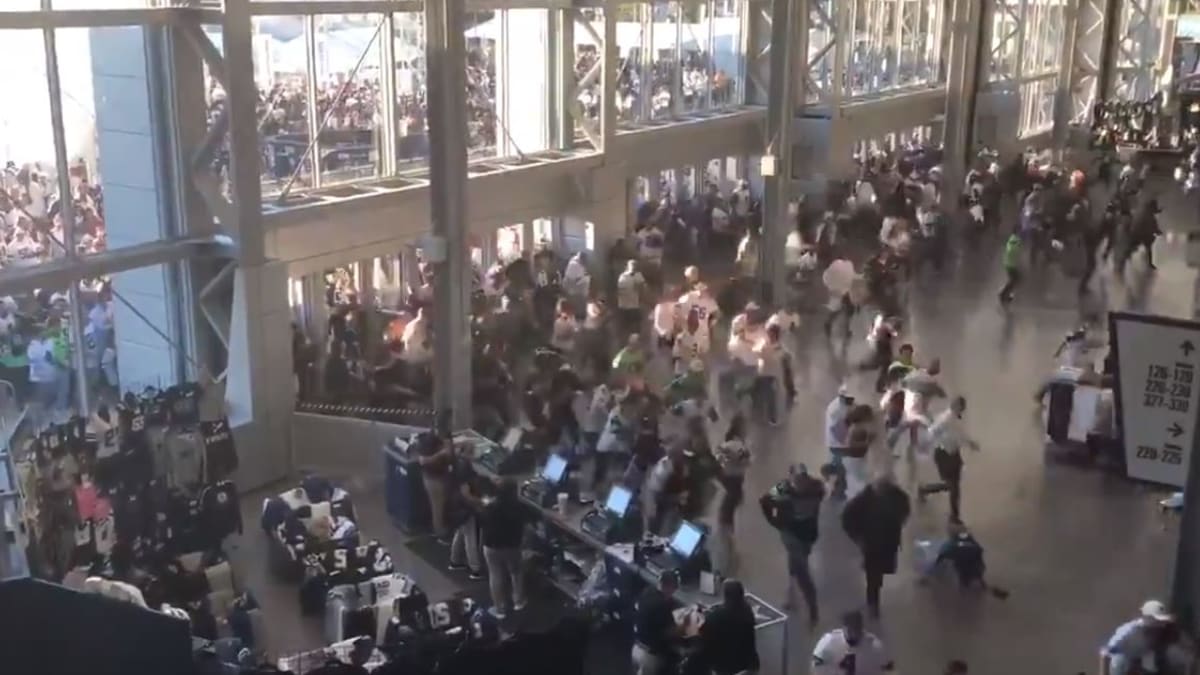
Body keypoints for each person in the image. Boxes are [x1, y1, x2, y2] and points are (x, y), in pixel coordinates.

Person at [759, 464, 824, 623]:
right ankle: (810, 604)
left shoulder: (816, 487)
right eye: (796, 480)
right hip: (790, 531)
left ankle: (791, 588)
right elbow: (765, 500)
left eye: (802, 480)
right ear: (790, 478)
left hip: (808, 532)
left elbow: (819, 500)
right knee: (800, 564)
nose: (800, 484)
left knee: (799, 558)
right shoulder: (782, 488)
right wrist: (774, 521)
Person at [841, 474, 911, 618]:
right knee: (873, 575)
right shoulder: (865, 499)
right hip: (872, 543)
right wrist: (857, 536)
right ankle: (873, 603)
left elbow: (905, 509)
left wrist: (899, 521)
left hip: (887, 542)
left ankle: (873, 601)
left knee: (878, 573)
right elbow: (847, 517)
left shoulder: (896, 496)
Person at [918, 396, 979, 522]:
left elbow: (959, 434)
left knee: (952, 485)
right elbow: (932, 431)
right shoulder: (945, 418)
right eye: (961, 407)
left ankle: (926, 490)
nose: (962, 410)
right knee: (953, 486)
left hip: (954, 453)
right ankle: (954, 515)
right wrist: (924, 445)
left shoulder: (955, 419)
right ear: (956, 406)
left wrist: (970, 443)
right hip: (944, 453)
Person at [1101, 600, 1193, 675]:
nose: (1159, 625)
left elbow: (1190, 651)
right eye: (1156, 621)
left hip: (1151, 666)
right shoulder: (1129, 631)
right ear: (1146, 619)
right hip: (1127, 666)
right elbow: (1105, 654)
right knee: (1119, 659)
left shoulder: (1169, 630)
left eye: (1161, 622)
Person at [478, 478, 527, 619]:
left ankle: (500, 609)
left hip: (492, 545)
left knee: (495, 575)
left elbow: (482, 521)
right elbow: (524, 525)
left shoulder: (490, 507)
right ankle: (518, 601)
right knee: (516, 572)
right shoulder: (518, 507)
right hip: (512, 545)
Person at [698, 579, 760, 675]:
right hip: (748, 660)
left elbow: (705, 633)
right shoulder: (747, 610)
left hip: (726, 667)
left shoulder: (717, 617)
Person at [632, 570, 683, 675]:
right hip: (649, 657)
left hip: (636, 648)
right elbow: (671, 633)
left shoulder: (647, 591)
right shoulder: (662, 605)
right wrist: (685, 624)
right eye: (674, 588)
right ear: (669, 586)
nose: (674, 592)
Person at [446, 442, 485, 579]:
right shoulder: (464, 468)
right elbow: (466, 494)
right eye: (471, 451)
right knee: (470, 537)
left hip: (456, 505)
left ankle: (455, 560)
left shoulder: (458, 463)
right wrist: (481, 502)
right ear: (463, 453)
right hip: (464, 507)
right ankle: (475, 569)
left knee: (461, 532)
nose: (473, 454)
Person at [812, 610, 893, 675]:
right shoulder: (829, 642)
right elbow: (815, 666)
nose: (854, 633)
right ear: (843, 628)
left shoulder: (874, 645)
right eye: (850, 630)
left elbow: (890, 669)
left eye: (857, 628)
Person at [825, 385, 855, 498]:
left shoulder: (841, 406)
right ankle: (838, 491)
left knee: (839, 466)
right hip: (838, 444)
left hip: (839, 443)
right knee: (841, 468)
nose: (851, 401)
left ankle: (836, 486)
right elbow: (838, 432)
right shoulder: (836, 410)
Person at [998, 230, 1022, 304]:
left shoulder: (1013, 240)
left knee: (1014, 280)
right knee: (1014, 280)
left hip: (1010, 264)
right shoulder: (1015, 241)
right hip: (1011, 265)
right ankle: (1003, 294)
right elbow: (1012, 250)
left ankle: (1005, 294)